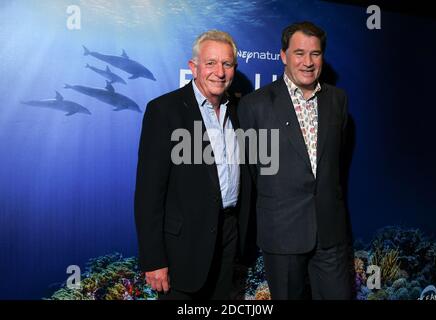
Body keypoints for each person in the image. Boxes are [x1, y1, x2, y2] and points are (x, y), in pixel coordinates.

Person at [237, 21, 353, 300]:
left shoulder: (338, 100)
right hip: (282, 234)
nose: (308, 62)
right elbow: (251, 172)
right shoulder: (255, 105)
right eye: (299, 53)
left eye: (315, 54)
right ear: (283, 56)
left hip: (330, 235)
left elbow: (338, 165)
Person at [134, 30, 251, 300]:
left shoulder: (240, 111)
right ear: (193, 67)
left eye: (227, 64)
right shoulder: (164, 111)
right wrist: (153, 260)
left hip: (229, 238)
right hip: (182, 250)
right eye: (210, 63)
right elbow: (148, 194)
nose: (219, 72)